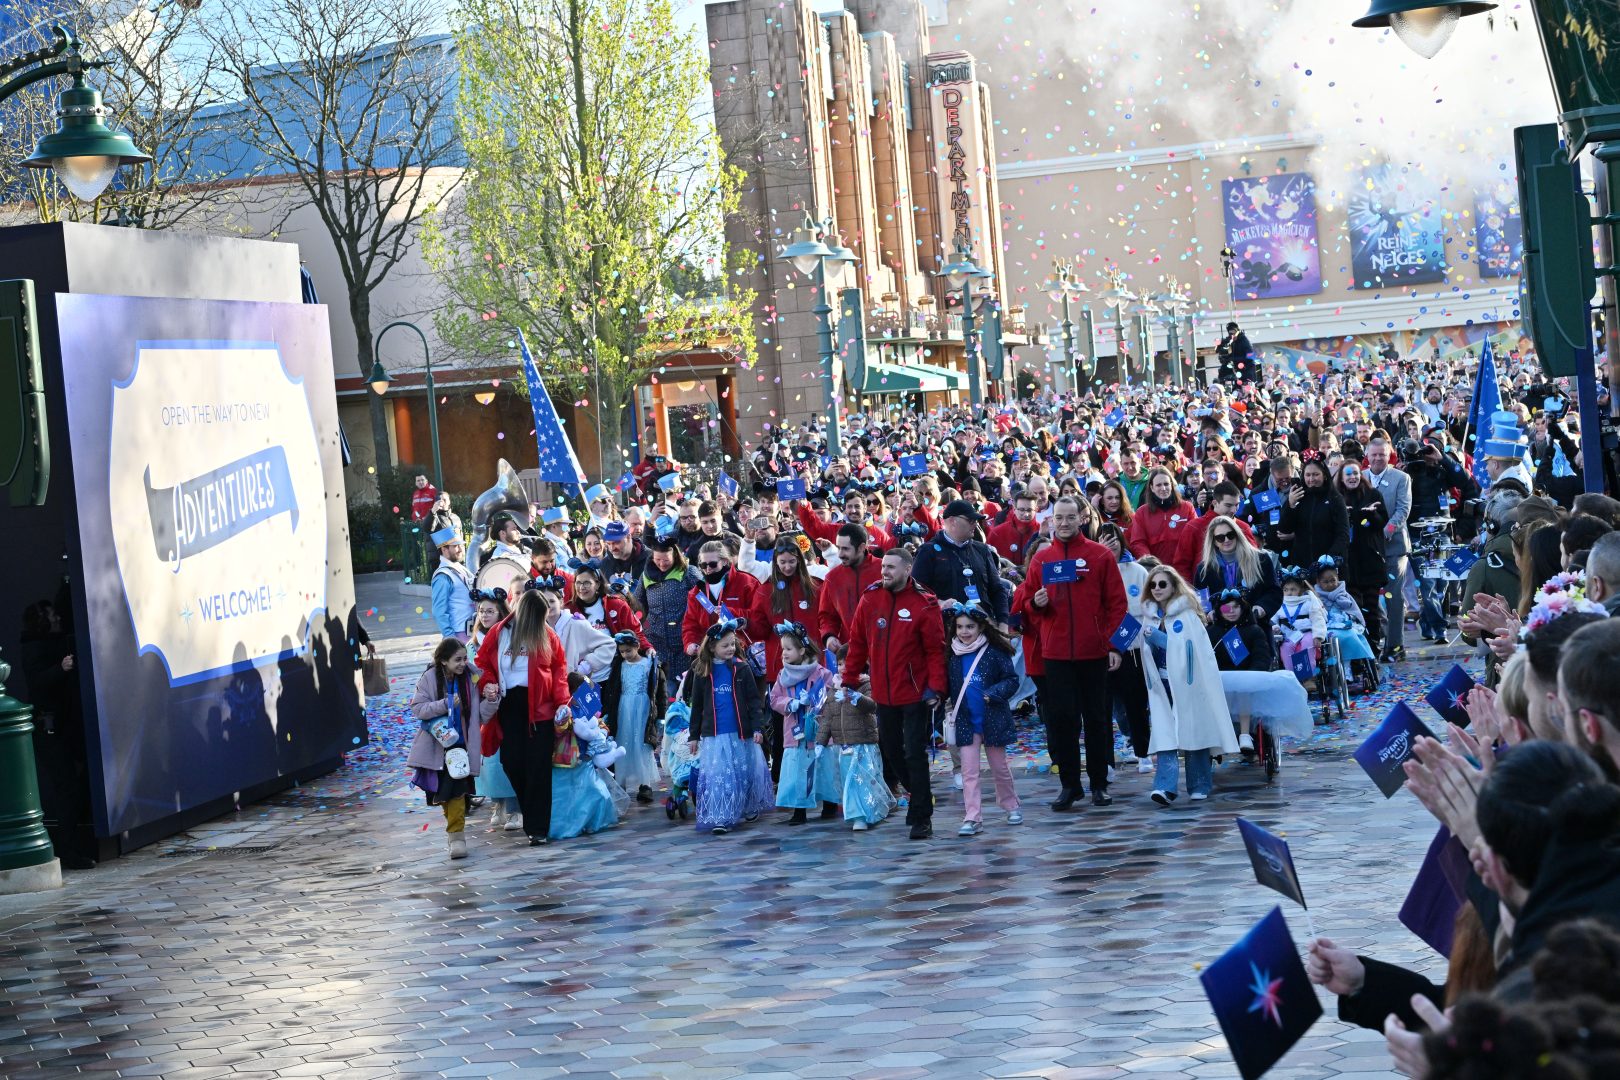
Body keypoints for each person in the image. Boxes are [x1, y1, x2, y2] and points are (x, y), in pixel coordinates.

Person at [1025, 496, 1129, 809]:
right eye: (1060, 518)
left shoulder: (1099, 556)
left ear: (1081, 519)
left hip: (1093, 652)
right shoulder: (1042, 560)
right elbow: (1025, 605)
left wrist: (1114, 646)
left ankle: (1099, 783)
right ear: (1052, 520)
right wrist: (1036, 604)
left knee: (1096, 720)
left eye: (1071, 517)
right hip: (1056, 655)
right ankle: (1070, 786)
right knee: (1062, 722)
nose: (1065, 523)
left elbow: (1117, 605)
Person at [841, 545, 948, 840]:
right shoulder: (871, 598)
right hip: (883, 693)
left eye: (891, 567)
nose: (884, 571)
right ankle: (917, 794)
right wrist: (849, 677)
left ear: (907, 569)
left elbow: (935, 652)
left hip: (915, 693)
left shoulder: (924, 603)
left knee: (914, 752)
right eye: (883, 566)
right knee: (890, 749)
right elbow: (858, 641)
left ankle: (922, 816)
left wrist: (936, 688)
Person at [474, 588, 573, 847]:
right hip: (509, 707)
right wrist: (487, 683)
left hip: (541, 709)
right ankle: (531, 814)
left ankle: (537, 828)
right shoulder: (498, 633)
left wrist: (563, 703)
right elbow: (482, 664)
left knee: (539, 769)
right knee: (511, 762)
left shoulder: (548, 636)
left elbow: (559, 670)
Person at [1140, 565, 1237, 804]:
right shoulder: (1150, 616)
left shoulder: (1186, 616)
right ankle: (1165, 787)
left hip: (1188, 683)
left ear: (1173, 585)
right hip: (1162, 684)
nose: (1157, 589)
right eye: (1153, 585)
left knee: (1194, 732)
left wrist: (1159, 638)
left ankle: (1200, 782)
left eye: (1162, 584)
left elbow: (1189, 651)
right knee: (1165, 734)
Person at [683, 619, 774, 835]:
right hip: (715, 735)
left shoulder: (741, 669)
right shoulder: (702, 671)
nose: (731, 649)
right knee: (720, 775)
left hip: (742, 733)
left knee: (744, 771)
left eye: (733, 644)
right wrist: (693, 735)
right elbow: (696, 707)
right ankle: (721, 815)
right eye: (725, 645)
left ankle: (748, 806)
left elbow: (754, 701)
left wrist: (758, 728)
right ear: (712, 646)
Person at [408, 638, 491, 859]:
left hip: (461, 747)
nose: (463, 663)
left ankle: (457, 837)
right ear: (444, 660)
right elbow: (418, 708)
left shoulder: (473, 678)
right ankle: (454, 832)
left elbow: (480, 715)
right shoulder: (429, 678)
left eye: (465, 658)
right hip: (437, 748)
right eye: (458, 659)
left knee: (457, 792)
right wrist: (444, 704)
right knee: (443, 794)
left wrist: (492, 700)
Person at [944, 602, 1022, 837]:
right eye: (960, 627)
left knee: (1000, 768)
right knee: (969, 771)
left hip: (993, 718)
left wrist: (994, 693)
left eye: (970, 627)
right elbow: (945, 683)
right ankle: (972, 816)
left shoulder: (995, 652)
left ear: (981, 628)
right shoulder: (953, 655)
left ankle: (1011, 805)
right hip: (967, 721)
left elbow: (1012, 680)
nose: (964, 632)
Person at [768, 621, 839, 825]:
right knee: (798, 772)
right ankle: (799, 810)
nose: (784, 653)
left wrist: (816, 701)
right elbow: (774, 699)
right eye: (783, 649)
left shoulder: (821, 673)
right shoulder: (783, 675)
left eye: (788, 649)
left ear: (801, 650)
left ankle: (829, 803)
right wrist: (791, 703)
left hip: (819, 733)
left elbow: (829, 696)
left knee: (824, 768)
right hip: (795, 734)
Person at [468, 588, 521, 831]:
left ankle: (514, 808)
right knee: (489, 759)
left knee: (506, 755)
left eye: (490, 610)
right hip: (485, 707)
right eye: (482, 611)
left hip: (508, 701)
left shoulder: (511, 636)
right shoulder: (473, 643)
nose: (485, 615)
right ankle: (497, 803)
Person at [910, 499, 1010, 625]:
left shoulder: (982, 550)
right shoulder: (928, 551)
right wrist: (939, 603)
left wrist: (1003, 624)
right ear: (952, 521)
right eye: (970, 520)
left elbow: (997, 590)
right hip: (945, 630)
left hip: (983, 629)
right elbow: (915, 591)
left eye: (976, 520)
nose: (975, 524)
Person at [633, 526, 703, 695]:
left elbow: (704, 600)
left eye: (666, 560)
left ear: (675, 556)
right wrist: (644, 622)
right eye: (658, 560)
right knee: (663, 690)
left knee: (684, 690)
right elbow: (637, 604)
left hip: (683, 643)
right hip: (657, 642)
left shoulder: (688, 573)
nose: (661, 564)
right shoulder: (647, 576)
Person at [599, 630, 665, 805]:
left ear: (637, 646)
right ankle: (621, 781)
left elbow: (659, 692)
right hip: (624, 709)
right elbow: (612, 691)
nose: (625, 654)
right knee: (624, 741)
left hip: (643, 708)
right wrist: (608, 711)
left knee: (642, 744)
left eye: (628, 650)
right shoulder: (619, 666)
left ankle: (645, 784)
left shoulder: (649, 665)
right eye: (622, 651)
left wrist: (660, 716)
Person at [1362, 437, 1413, 661]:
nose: (1377, 458)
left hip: (1393, 547)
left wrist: (1385, 530)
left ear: (1389, 454)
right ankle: (1374, 642)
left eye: (1381, 454)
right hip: (1367, 549)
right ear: (1367, 455)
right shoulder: (1360, 477)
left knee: (1393, 595)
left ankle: (1395, 645)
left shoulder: (1401, 478)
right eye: (1373, 454)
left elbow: (1403, 509)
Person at [1336, 459, 1393, 654]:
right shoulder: (1337, 497)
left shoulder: (1373, 494)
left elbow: (1381, 523)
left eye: (1355, 473)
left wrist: (1370, 516)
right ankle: (1358, 649)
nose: (1352, 477)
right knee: (1354, 607)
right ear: (1341, 478)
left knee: (1372, 608)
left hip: (1370, 559)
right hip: (1349, 562)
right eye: (1348, 474)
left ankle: (1374, 646)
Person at [682, 540, 764, 658]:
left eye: (713, 564)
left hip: (742, 655)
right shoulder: (697, 592)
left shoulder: (747, 582)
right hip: (710, 657)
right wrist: (690, 643)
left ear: (725, 561)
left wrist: (733, 613)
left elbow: (761, 620)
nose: (708, 569)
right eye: (703, 565)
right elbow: (690, 624)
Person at [1191, 513, 1281, 621]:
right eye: (1220, 538)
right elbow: (1202, 602)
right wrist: (1208, 613)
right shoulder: (1204, 569)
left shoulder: (1261, 559)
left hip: (1255, 623)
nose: (1226, 540)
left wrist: (1262, 607)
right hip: (1221, 629)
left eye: (1230, 535)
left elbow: (1274, 591)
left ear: (1237, 534)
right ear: (1214, 541)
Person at [1313, 557, 1378, 693]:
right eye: (1326, 582)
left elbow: (1354, 611)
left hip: (1345, 624)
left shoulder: (1343, 594)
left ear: (1338, 579)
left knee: (1350, 636)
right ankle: (1333, 674)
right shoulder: (1315, 597)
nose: (1330, 584)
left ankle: (1347, 671)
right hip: (1326, 625)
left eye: (1333, 580)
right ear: (1318, 582)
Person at [817, 523, 884, 652]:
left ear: (862, 547)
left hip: (884, 651)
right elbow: (827, 616)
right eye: (838, 548)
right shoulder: (833, 577)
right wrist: (829, 636)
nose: (840, 554)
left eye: (845, 549)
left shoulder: (884, 570)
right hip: (850, 653)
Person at [1280, 455, 1349, 573]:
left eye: (1316, 474)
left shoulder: (1335, 498)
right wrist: (1290, 505)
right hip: (1302, 566)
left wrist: (1329, 558)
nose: (1311, 479)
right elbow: (1284, 529)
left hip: (1328, 567)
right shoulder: (1299, 497)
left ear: (1324, 476)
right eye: (1308, 475)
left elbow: (1343, 534)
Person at [567, 560, 649, 653]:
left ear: (597, 584)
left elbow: (636, 632)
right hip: (581, 664)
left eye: (587, 583)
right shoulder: (568, 610)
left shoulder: (616, 605)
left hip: (613, 663)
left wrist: (648, 648)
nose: (581, 587)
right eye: (578, 583)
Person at [1126, 467, 1194, 563]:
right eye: (1158, 485)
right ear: (1152, 488)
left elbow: (1195, 537)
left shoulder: (1187, 508)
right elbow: (1138, 542)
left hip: (1184, 568)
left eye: (1166, 484)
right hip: (1155, 570)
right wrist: (1151, 563)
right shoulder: (1142, 512)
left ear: (1171, 485)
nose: (1163, 488)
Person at [429, 525, 475, 642]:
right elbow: (439, 611)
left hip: (471, 632)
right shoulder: (442, 576)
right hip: (458, 634)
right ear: (444, 549)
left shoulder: (460, 568)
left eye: (461, 545)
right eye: (455, 546)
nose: (460, 549)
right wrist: (450, 637)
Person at [986, 491, 1040, 563]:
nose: (1026, 514)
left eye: (1029, 510)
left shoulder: (1041, 533)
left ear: (1036, 509)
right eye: (1021, 510)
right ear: (1014, 509)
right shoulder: (997, 533)